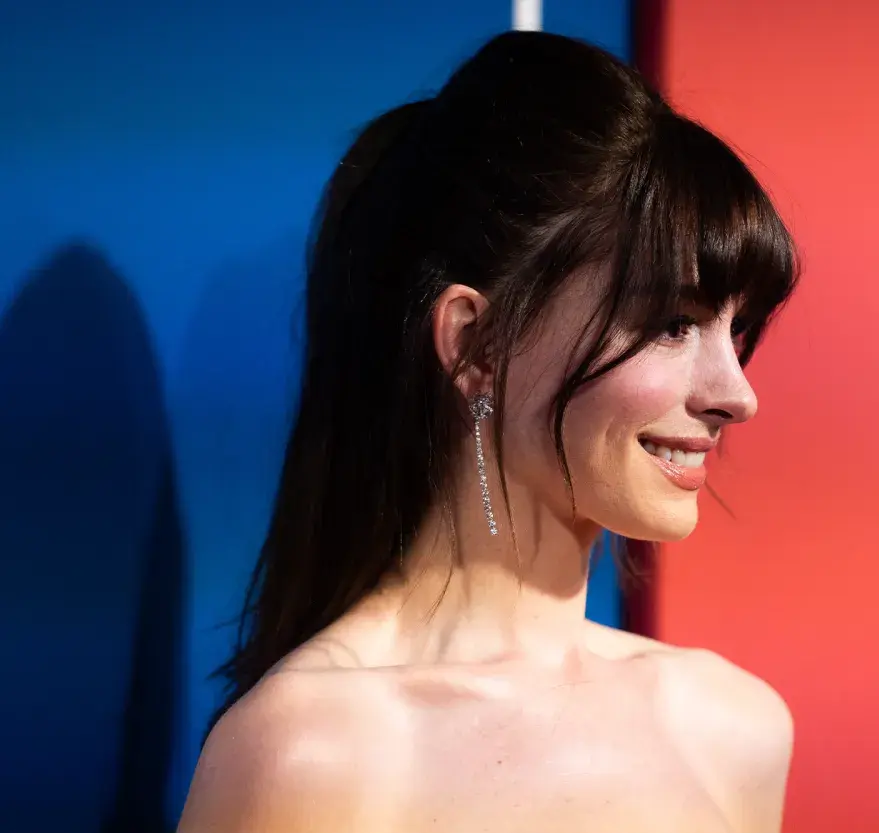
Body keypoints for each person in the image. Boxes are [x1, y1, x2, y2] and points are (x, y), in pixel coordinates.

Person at [177, 30, 798, 833]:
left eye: (736, 329)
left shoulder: (734, 731)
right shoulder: (312, 753)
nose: (737, 395)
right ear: (476, 344)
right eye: (674, 323)